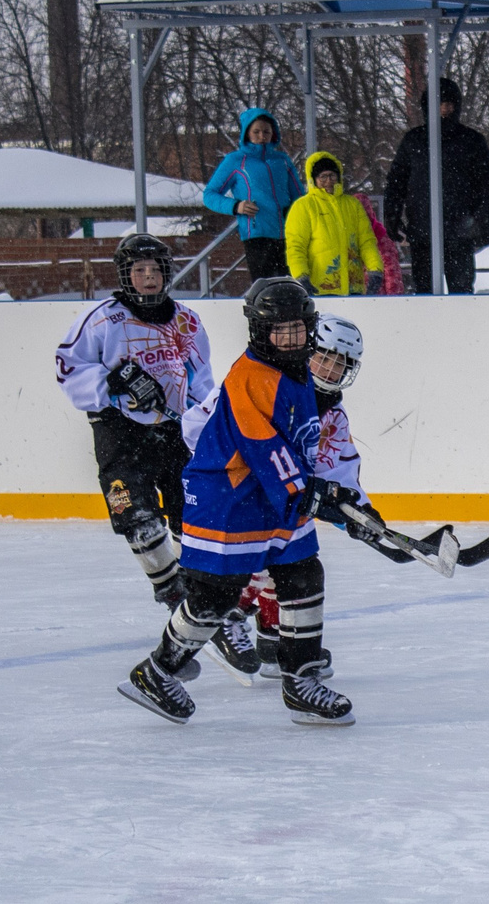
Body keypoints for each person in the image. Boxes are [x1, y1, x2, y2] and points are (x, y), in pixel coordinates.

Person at [118, 277, 351, 728]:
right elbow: (263, 445)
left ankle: (301, 681)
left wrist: (326, 488)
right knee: (214, 594)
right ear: (259, 332)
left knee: (303, 574)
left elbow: (299, 443)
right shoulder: (251, 376)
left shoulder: (300, 372)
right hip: (226, 494)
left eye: (297, 331)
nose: (289, 340)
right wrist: (305, 490)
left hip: (274, 493)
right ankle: (158, 672)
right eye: (278, 332)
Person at [53, 234, 215, 614]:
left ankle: (202, 591)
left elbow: (201, 381)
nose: (148, 277)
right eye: (139, 270)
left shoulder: (186, 321)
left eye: (155, 270)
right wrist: (110, 383)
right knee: (136, 517)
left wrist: (199, 424)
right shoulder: (101, 320)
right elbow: (67, 368)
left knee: (191, 514)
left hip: (175, 433)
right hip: (120, 433)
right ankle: (174, 594)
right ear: (126, 275)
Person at [382, 78, 489, 296]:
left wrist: (482, 222)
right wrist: (392, 215)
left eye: (450, 104)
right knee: (424, 293)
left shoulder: (471, 141)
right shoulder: (414, 141)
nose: (445, 109)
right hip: (423, 230)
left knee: (461, 292)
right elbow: (396, 182)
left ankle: (464, 330)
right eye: (440, 103)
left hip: (460, 231)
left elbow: (488, 186)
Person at [202, 108, 301, 284]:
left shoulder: (282, 160)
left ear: (273, 133)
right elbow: (209, 195)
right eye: (256, 131)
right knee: (265, 287)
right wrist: (236, 206)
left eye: (266, 131)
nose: (262, 136)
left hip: (289, 234)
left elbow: (299, 196)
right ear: (247, 133)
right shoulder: (235, 160)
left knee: (291, 286)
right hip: (257, 235)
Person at [284, 151, 384, 298]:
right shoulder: (303, 206)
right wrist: (301, 276)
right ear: (313, 179)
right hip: (320, 288)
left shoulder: (353, 204)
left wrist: (375, 269)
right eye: (322, 176)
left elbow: (366, 242)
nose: (328, 181)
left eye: (332, 175)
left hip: (353, 287)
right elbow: (296, 246)